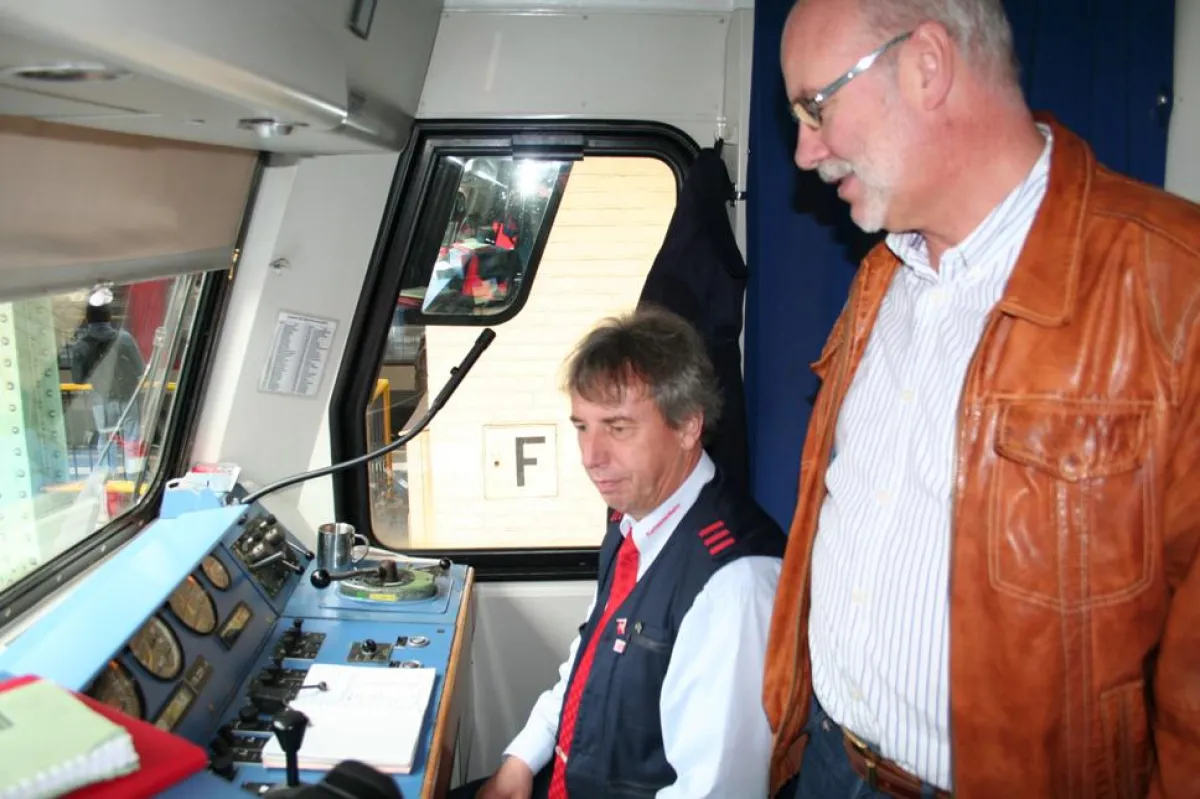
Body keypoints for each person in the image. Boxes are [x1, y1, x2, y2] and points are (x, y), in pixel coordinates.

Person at [764, 0, 1200, 797]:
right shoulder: (881, 276)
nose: (804, 151)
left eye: (815, 108)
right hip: (829, 758)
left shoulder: (1176, 284)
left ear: (927, 65)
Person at [453, 307, 785, 798]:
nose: (591, 457)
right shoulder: (635, 521)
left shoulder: (734, 584)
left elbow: (716, 791)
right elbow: (589, 660)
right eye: (582, 427)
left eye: (618, 427)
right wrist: (522, 759)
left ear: (687, 426)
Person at [64, 300, 146, 464]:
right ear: (109, 317)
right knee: (132, 439)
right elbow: (140, 369)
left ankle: (107, 474)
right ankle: (133, 474)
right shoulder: (124, 338)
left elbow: (77, 379)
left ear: (87, 318)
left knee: (106, 439)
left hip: (100, 399)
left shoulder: (81, 345)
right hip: (128, 397)